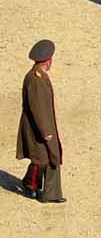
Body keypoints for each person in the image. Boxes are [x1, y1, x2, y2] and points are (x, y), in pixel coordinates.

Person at [16, 40, 63, 203]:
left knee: (52, 157)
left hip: (44, 125)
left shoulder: (39, 75)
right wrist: (45, 131)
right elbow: (37, 108)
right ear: (48, 61)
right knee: (41, 160)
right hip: (37, 128)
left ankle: (51, 194)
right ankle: (30, 184)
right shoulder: (35, 79)